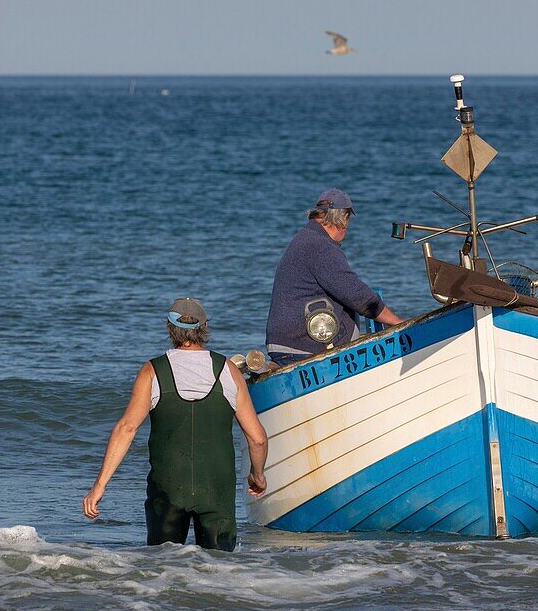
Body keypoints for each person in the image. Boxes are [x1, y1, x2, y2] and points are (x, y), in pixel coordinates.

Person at [82, 297, 267, 551]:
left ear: (170, 328)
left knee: (163, 568)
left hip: (167, 490)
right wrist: (257, 476)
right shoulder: (228, 370)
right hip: (216, 489)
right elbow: (257, 438)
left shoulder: (152, 371)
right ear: (204, 327)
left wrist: (99, 486)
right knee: (221, 571)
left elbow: (126, 428)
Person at [265, 188, 403, 365]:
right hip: (302, 348)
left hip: (287, 345)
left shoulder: (306, 238)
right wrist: (397, 322)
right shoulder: (320, 246)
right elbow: (356, 294)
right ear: (343, 219)